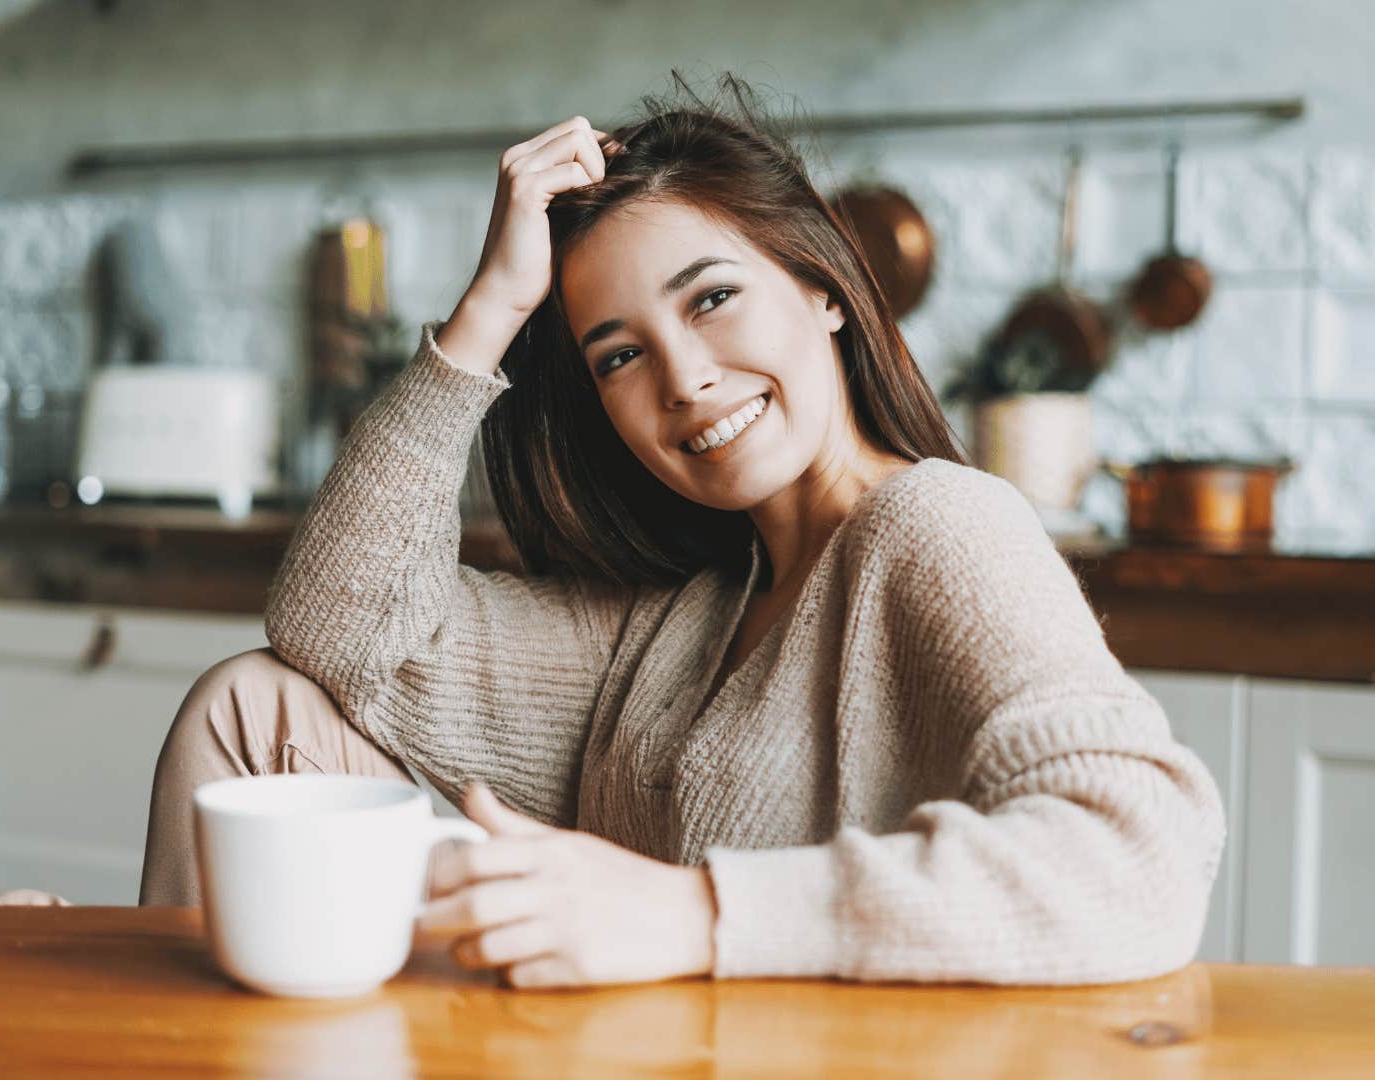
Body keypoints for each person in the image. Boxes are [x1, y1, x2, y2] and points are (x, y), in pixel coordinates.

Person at [135, 75, 1225, 991]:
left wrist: (695, 915)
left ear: (823, 290)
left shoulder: (935, 522)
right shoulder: (689, 609)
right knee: (251, 704)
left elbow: (1140, 856)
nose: (686, 381)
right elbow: (333, 629)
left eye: (710, 299)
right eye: (618, 354)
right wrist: (489, 311)